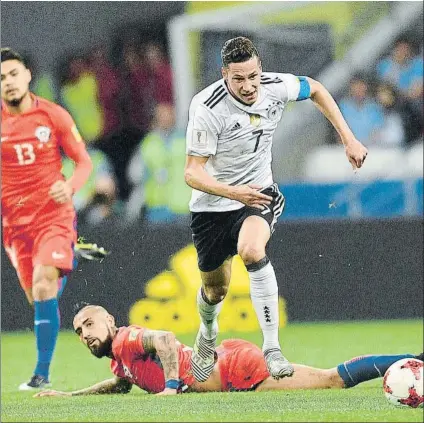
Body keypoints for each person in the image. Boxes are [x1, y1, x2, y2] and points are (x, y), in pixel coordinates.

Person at [184, 36, 368, 382]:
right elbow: (192, 173)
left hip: (259, 192)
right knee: (215, 290)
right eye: (239, 79)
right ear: (225, 74)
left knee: (252, 250)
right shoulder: (207, 107)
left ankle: (272, 348)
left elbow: (316, 89)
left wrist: (349, 139)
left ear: (260, 69)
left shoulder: (275, 86)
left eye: (253, 76)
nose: (249, 85)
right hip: (213, 205)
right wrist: (233, 192)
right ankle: (207, 335)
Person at [35, 304, 423, 397]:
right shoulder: (121, 360)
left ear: (109, 321)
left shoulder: (124, 339)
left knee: (330, 380)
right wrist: (70, 395)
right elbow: (119, 385)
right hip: (226, 359)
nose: (84, 333)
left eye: (89, 324)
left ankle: (415, 359)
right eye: (78, 331)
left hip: (238, 369)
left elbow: (166, 340)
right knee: (329, 378)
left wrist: (171, 386)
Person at [1, 47, 98, 390]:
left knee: (44, 282)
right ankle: (70, 252)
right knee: (39, 296)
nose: (8, 82)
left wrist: (69, 187)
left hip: (52, 216)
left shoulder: (53, 115)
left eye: (13, 74)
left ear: (27, 76)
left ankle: (41, 375)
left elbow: (84, 162)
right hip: (14, 225)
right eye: (1, 78)